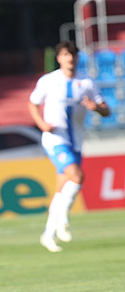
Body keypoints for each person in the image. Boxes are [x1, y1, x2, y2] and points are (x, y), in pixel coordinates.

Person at [28, 41, 110, 253]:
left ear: (77, 57)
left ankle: (47, 235)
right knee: (78, 176)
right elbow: (33, 103)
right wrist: (41, 124)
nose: (70, 58)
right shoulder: (49, 81)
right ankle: (64, 219)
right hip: (55, 139)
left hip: (77, 141)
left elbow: (106, 110)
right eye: (66, 54)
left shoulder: (86, 82)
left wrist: (96, 109)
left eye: (73, 54)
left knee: (61, 189)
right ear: (59, 58)